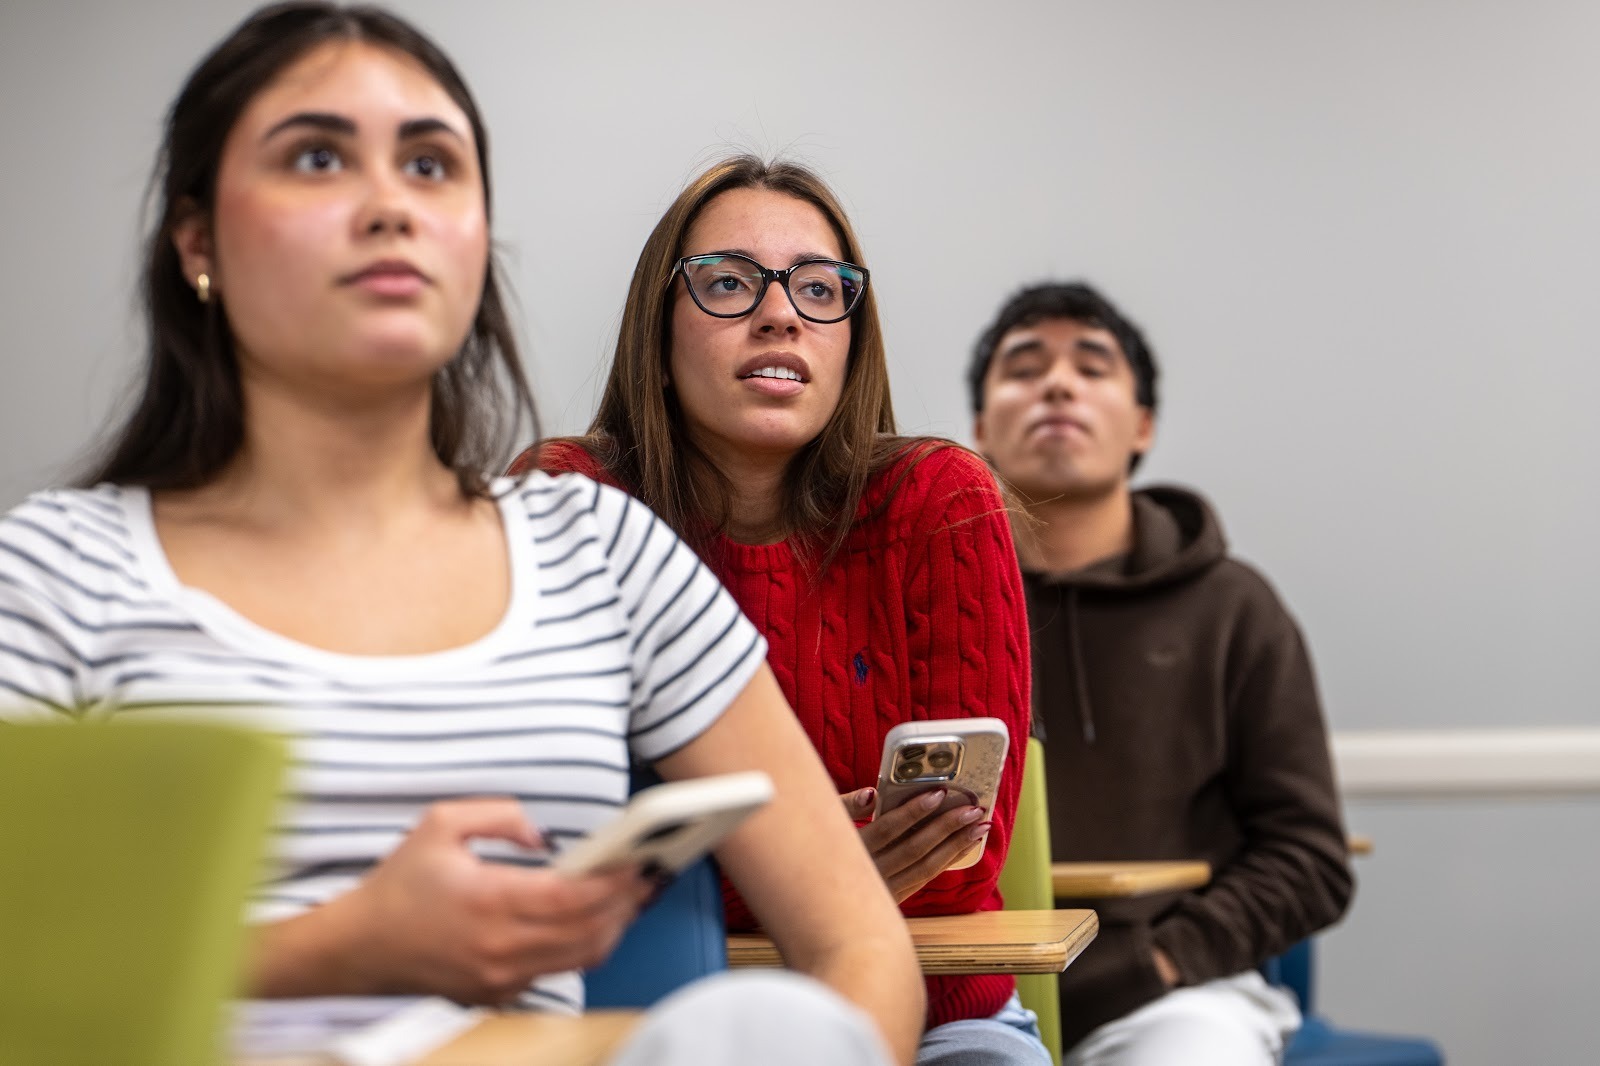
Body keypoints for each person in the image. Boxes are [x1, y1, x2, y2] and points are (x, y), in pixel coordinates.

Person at [0, 6, 922, 1064]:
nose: (389, 202)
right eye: (316, 156)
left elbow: (860, 942)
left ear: (478, 240)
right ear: (198, 240)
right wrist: (345, 946)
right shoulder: (56, 574)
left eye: (432, 166)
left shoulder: (603, 555)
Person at [518, 155, 1042, 1066]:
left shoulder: (943, 499)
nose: (780, 312)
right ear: (659, 326)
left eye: (818, 287)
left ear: (852, 331)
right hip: (654, 1017)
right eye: (728, 282)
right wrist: (825, 874)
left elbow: (966, 854)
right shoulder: (568, 499)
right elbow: (563, 856)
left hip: (938, 1019)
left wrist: (716, 874)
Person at [967, 281, 1355, 1065]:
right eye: (1024, 366)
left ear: (1142, 425)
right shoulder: (936, 601)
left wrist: (1163, 962)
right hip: (969, 988)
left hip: (1173, 998)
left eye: (1094, 366)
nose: (1058, 384)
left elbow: (1310, 858)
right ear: (979, 427)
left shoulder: (1233, 606)